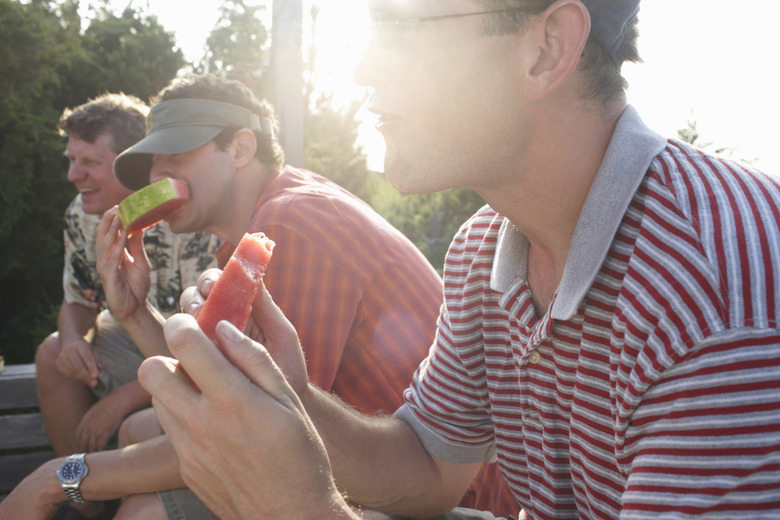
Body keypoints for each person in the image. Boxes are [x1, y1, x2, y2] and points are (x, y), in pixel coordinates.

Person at [128, 0, 777, 519]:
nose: (362, 67)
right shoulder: (484, 247)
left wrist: (295, 508)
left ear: (545, 49)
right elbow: (429, 464)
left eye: (402, 26)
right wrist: (288, 397)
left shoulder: (715, 295)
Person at [0, 74, 502, 520]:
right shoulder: (262, 224)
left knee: (145, 510)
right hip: (368, 461)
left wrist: (61, 477)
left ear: (241, 149)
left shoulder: (291, 224)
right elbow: (218, 397)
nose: (156, 179)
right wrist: (133, 311)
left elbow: (250, 433)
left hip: (440, 492)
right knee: (137, 432)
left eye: (174, 158)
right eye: (152, 165)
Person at [33, 93, 220, 517]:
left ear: (128, 166)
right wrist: (72, 341)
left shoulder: (188, 218)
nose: (72, 175)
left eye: (89, 163)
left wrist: (118, 401)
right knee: (51, 353)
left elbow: (205, 351)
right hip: (136, 340)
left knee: (136, 418)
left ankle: (103, 491)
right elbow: (77, 300)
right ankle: (85, 508)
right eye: (71, 159)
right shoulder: (81, 214)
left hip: (190, 354)